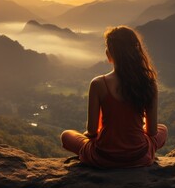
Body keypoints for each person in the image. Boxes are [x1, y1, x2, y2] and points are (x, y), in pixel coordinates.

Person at [60, 26, 168, 168]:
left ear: (109, 54)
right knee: (163, 130)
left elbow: (92, 131)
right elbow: (152, 131)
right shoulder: (149, 83)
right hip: (139, 157)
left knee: (66, 135)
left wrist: (99, 136)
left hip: (104, 157)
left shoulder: (99, 84)